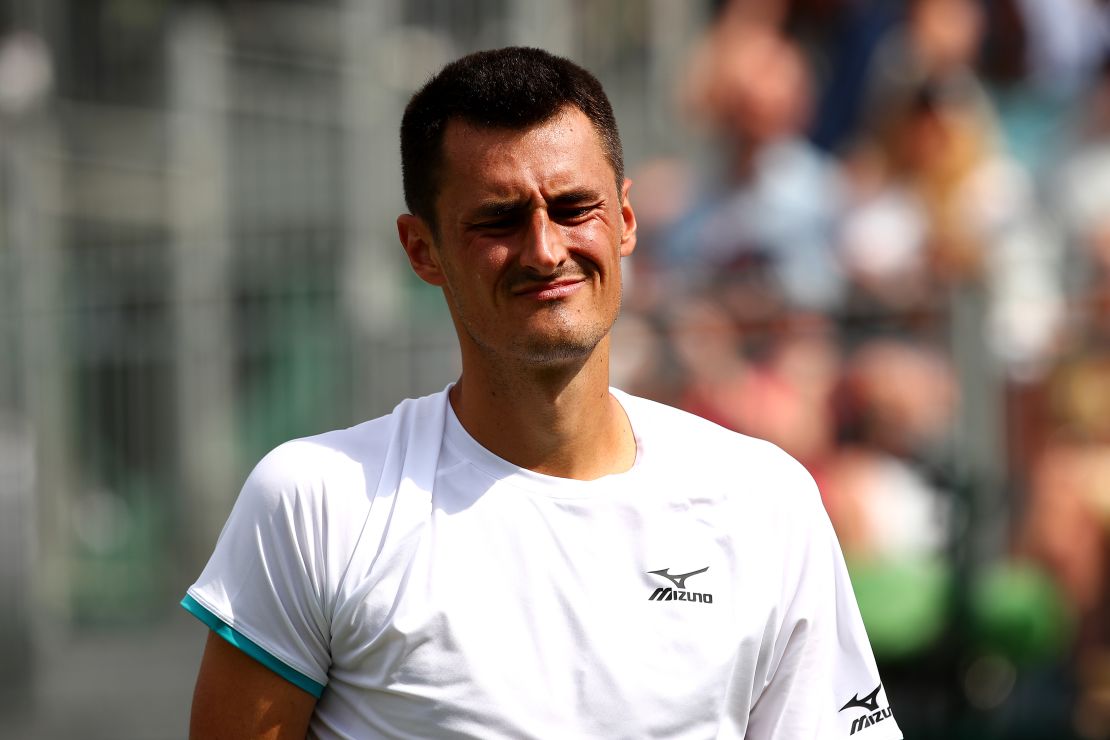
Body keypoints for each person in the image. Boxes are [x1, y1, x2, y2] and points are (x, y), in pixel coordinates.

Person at [182, 47, 902, 739]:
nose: (545, 249)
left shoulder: (763, 499)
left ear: (624, 219)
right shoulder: (317, 503)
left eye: (572, 206)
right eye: (498, 218)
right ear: (420, 249)